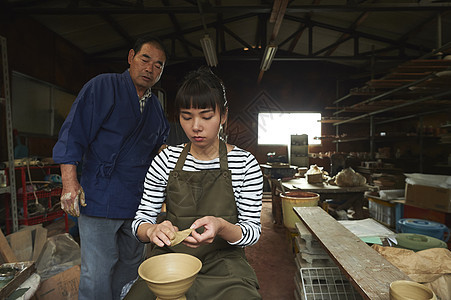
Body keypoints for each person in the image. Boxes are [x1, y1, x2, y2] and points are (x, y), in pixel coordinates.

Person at [125, 66, 263, 299]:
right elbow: (141, 221)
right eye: (186, 117)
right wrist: (152, 230)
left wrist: (221, 226)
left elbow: (252, 232)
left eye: (206, 116)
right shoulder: (165, 160)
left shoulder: (244, 163)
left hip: (224, 262)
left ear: (224, 116)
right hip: (170, 260)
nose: (196, 126)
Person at [52, 36, 170, 300]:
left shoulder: (155, 106)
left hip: (139, 202)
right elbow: (73, 135)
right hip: (100, 196)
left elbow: (161, 148)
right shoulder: (102, 86)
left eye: (159, 66)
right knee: (97, 271)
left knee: (131, 268)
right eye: (145, 59)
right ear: (131, 57)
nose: (151, 69)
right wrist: (70, 184)